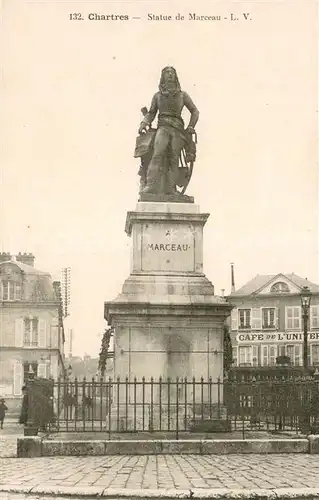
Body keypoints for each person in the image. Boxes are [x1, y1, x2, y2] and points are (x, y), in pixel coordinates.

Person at [137, 66, 199, 195]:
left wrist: (191, 126)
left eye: (172, 72)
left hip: (177, 130)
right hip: (163, 127)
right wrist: (144, 123)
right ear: (163, 77)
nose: (170, 74)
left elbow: (195, 111)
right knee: (157, 154)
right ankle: (150, 185)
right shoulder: (158, 96)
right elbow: (151, 113)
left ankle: (171, 188)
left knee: (174, 159)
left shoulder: (183, 95)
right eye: (167, 73)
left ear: (175, 76)